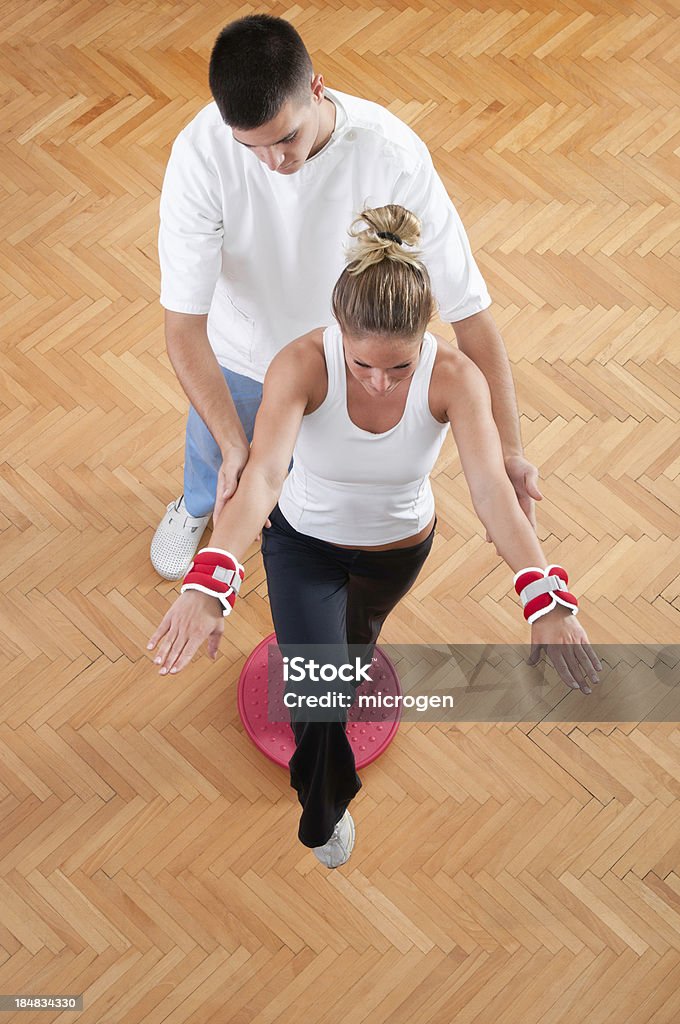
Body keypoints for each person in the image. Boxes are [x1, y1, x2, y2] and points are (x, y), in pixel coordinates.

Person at [147, 205, 600, 870]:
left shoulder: (455, 379)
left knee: (355, 649)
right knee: (319, 694)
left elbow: (491, 494)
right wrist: (211, 575)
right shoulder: (300, 364)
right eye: (363, 365)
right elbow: (266, 474)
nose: (381, 383)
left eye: (400, 367)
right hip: (302, 548)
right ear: (338, 332)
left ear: (426, 339)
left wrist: (546, 598)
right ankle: (325, 807)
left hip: (397, 554)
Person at [151, 13, 542, 581]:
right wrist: (238, 446)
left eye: (286, 138)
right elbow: (184, 324)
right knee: (215, 453)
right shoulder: (200, 154)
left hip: (342, 360)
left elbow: (470, 316)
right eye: (251, 147)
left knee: (308, 473)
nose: (273, 162)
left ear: (316, 88)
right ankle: (195, 507)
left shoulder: (393, 155)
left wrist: (509, 451)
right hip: (240, 346)